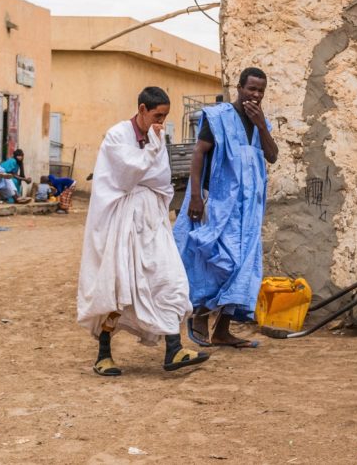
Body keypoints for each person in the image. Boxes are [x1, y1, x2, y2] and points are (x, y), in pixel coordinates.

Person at [77, 87, 210, 376]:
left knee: (169, 278)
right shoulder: (116, 136)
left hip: (150, 222)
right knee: (116, 285)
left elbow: (160, 178)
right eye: (157, 116)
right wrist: (146, 159)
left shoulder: (157, 138)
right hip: (119, 224)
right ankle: (104, 356)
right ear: (141, 110)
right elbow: (125, 178)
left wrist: (145, 162)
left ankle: (174, 350)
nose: (161, 122)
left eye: (165, 116)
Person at [174, 67, 278, 348]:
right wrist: (195, 196)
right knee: (218, 261)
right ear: (239, 87)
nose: (255, 95)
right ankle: (199, 315)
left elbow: (272, 155)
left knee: (244, 265)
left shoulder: (260, 123)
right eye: (251, 89)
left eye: (260, 91)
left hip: (250, 208)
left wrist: (260, 124)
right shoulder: (217, 117)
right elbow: (199, 153)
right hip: (219, 203)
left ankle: (222, 331)